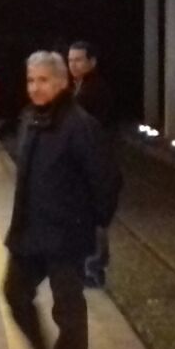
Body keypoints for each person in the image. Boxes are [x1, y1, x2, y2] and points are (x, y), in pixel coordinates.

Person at [3, 51, 121, 349]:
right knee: (15, 292)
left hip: (66, 235)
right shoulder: (31, 118)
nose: (35, 87)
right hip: (30, 231)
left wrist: (93, 223)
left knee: (67, 310)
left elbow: (108, 180)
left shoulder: (80, 125)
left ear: (61, 82)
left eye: (43, 80)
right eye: (30, 80)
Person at [68, 41, 116, 288]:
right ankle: (90, 266)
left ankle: (94, 268)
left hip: (95, 163)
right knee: (89, 214)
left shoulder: (93, 90)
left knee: (94, 215)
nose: (73, 65)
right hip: (88, 161)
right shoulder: (80, 86)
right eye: (70, 60)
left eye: (79, 60)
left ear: (92, 61)